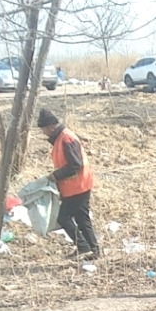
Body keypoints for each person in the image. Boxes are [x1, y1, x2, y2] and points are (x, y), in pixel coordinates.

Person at [37, 108, 99, 260]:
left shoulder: (66, 139)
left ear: (50, 126)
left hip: (77, 186)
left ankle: (83, 246)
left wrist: (56, 176)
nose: (43, 132)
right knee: (82, 219)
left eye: (43, 129)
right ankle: (94, 250)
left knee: (63, 218)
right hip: (79, 185)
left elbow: (74, 165)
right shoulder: (63, 137)